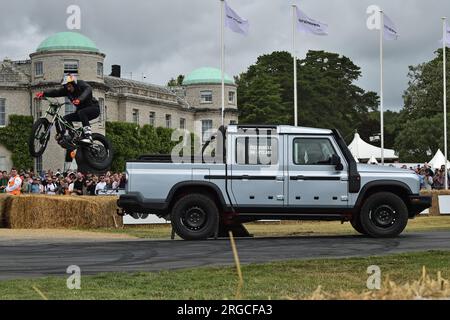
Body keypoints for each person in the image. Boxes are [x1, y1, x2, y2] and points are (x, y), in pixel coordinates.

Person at [36, 74, 100, 144]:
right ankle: (73, 136)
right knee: (65, 119)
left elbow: (88, 89)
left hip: (94, 109)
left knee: (82, 112)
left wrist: (80, 99)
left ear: (74, 84)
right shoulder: (67, 91)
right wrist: (43, 93)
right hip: (80, 112)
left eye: (69, 86)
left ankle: (88, 137)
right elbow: (56, 92)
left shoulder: (80, 84)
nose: (68, 89)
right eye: (66, 87)